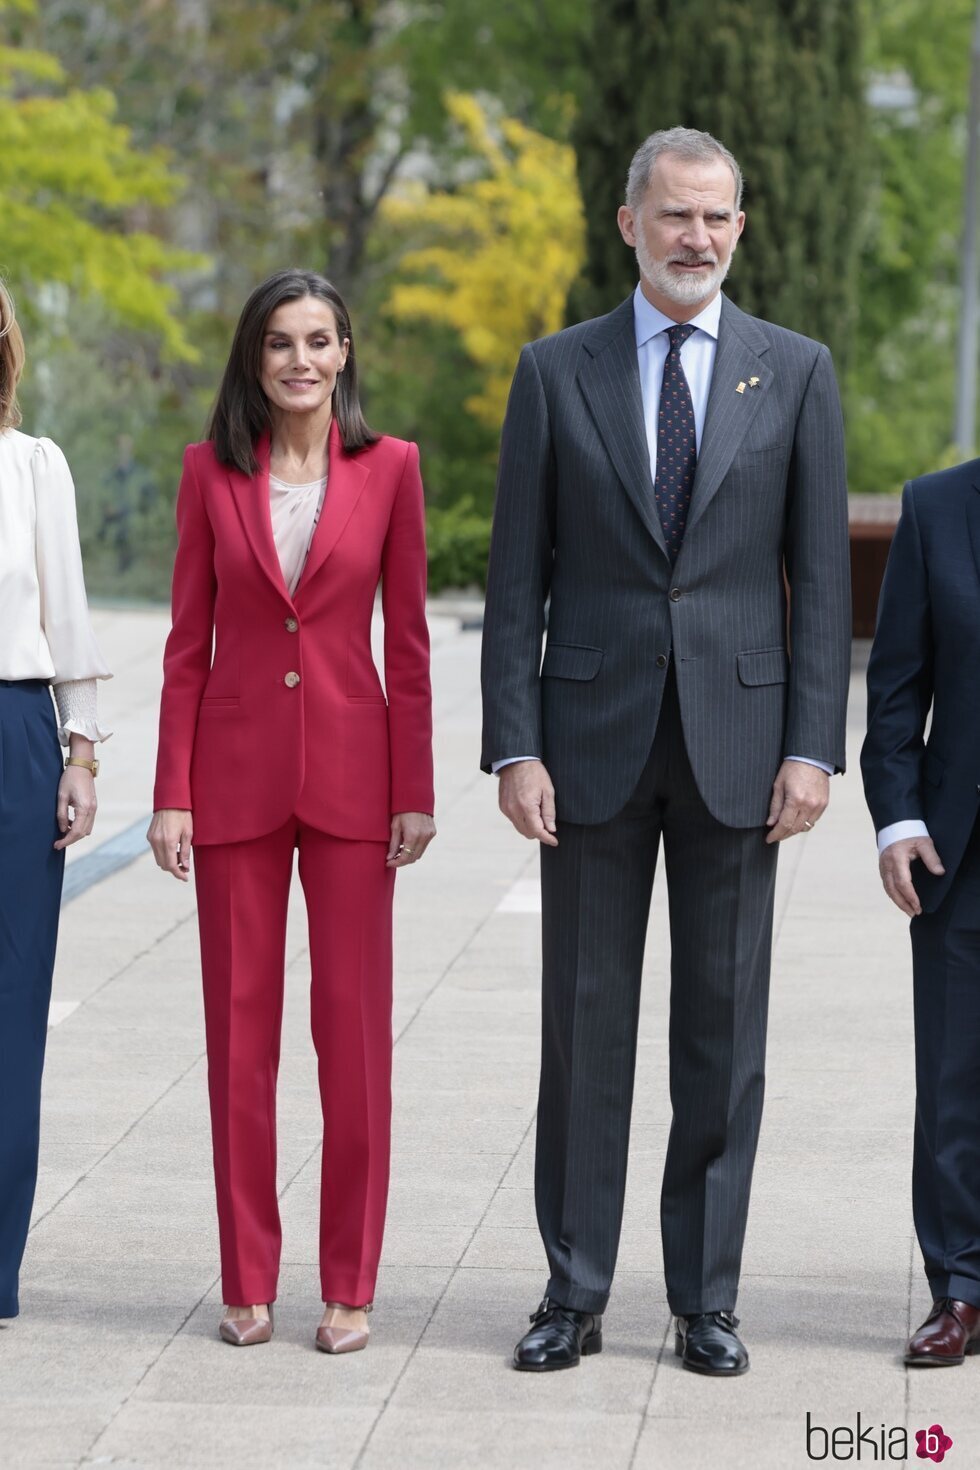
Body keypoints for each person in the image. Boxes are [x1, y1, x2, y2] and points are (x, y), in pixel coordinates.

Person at [481, 127, 851, 1376]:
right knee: (581, 1033)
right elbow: (516, 571)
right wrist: (510, 747)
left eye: (718, 218)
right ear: (628, 222)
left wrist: (812, 747)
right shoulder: (553, 370)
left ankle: (705, 1300)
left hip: (741, 752)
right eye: (675, 215)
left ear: (739, 231)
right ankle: (572, 1292)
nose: (697, 237)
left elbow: (814, 579)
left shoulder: (793, 372)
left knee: (721, 1033)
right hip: (584, 743)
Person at [148, 269, 435, 1353]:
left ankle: (350, 1283)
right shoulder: (206, 475)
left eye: (318, 341)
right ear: (253, 360)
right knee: (239, 1037)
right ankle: (247, 1277)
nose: (300, 361)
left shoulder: (392, 469)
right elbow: (185, 648)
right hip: (232, 780)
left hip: (359, 781)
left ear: (345, 352)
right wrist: (170, 793)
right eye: (279, 343)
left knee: (352, 1037)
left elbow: (405, 646)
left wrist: (416, 788)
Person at [0, 279, 111, 1321]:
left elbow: (69, 613)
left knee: (8, 1004)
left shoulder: (32, 465)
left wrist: (82, 753)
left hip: (11, 734)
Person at [861, 462, 980, 1366]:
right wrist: (897, 817)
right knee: (952, 1081)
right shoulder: (936, 507)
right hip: (959, 845)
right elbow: (897, 683)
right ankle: (962, 1291)